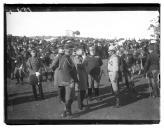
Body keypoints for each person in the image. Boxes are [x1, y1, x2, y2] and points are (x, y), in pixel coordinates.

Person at [51, 44, 78, 118]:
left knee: (69, 97)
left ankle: (68, 111)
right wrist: (71, 81)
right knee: (69, 97)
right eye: (70, 49)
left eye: (71, 49)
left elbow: (72, 70)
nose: (71, 50)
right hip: (68, 80)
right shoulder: (66, 58)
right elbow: (65, 71)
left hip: (67, 80)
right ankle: (66, 112)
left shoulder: (67, 57)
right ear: (67, 50)